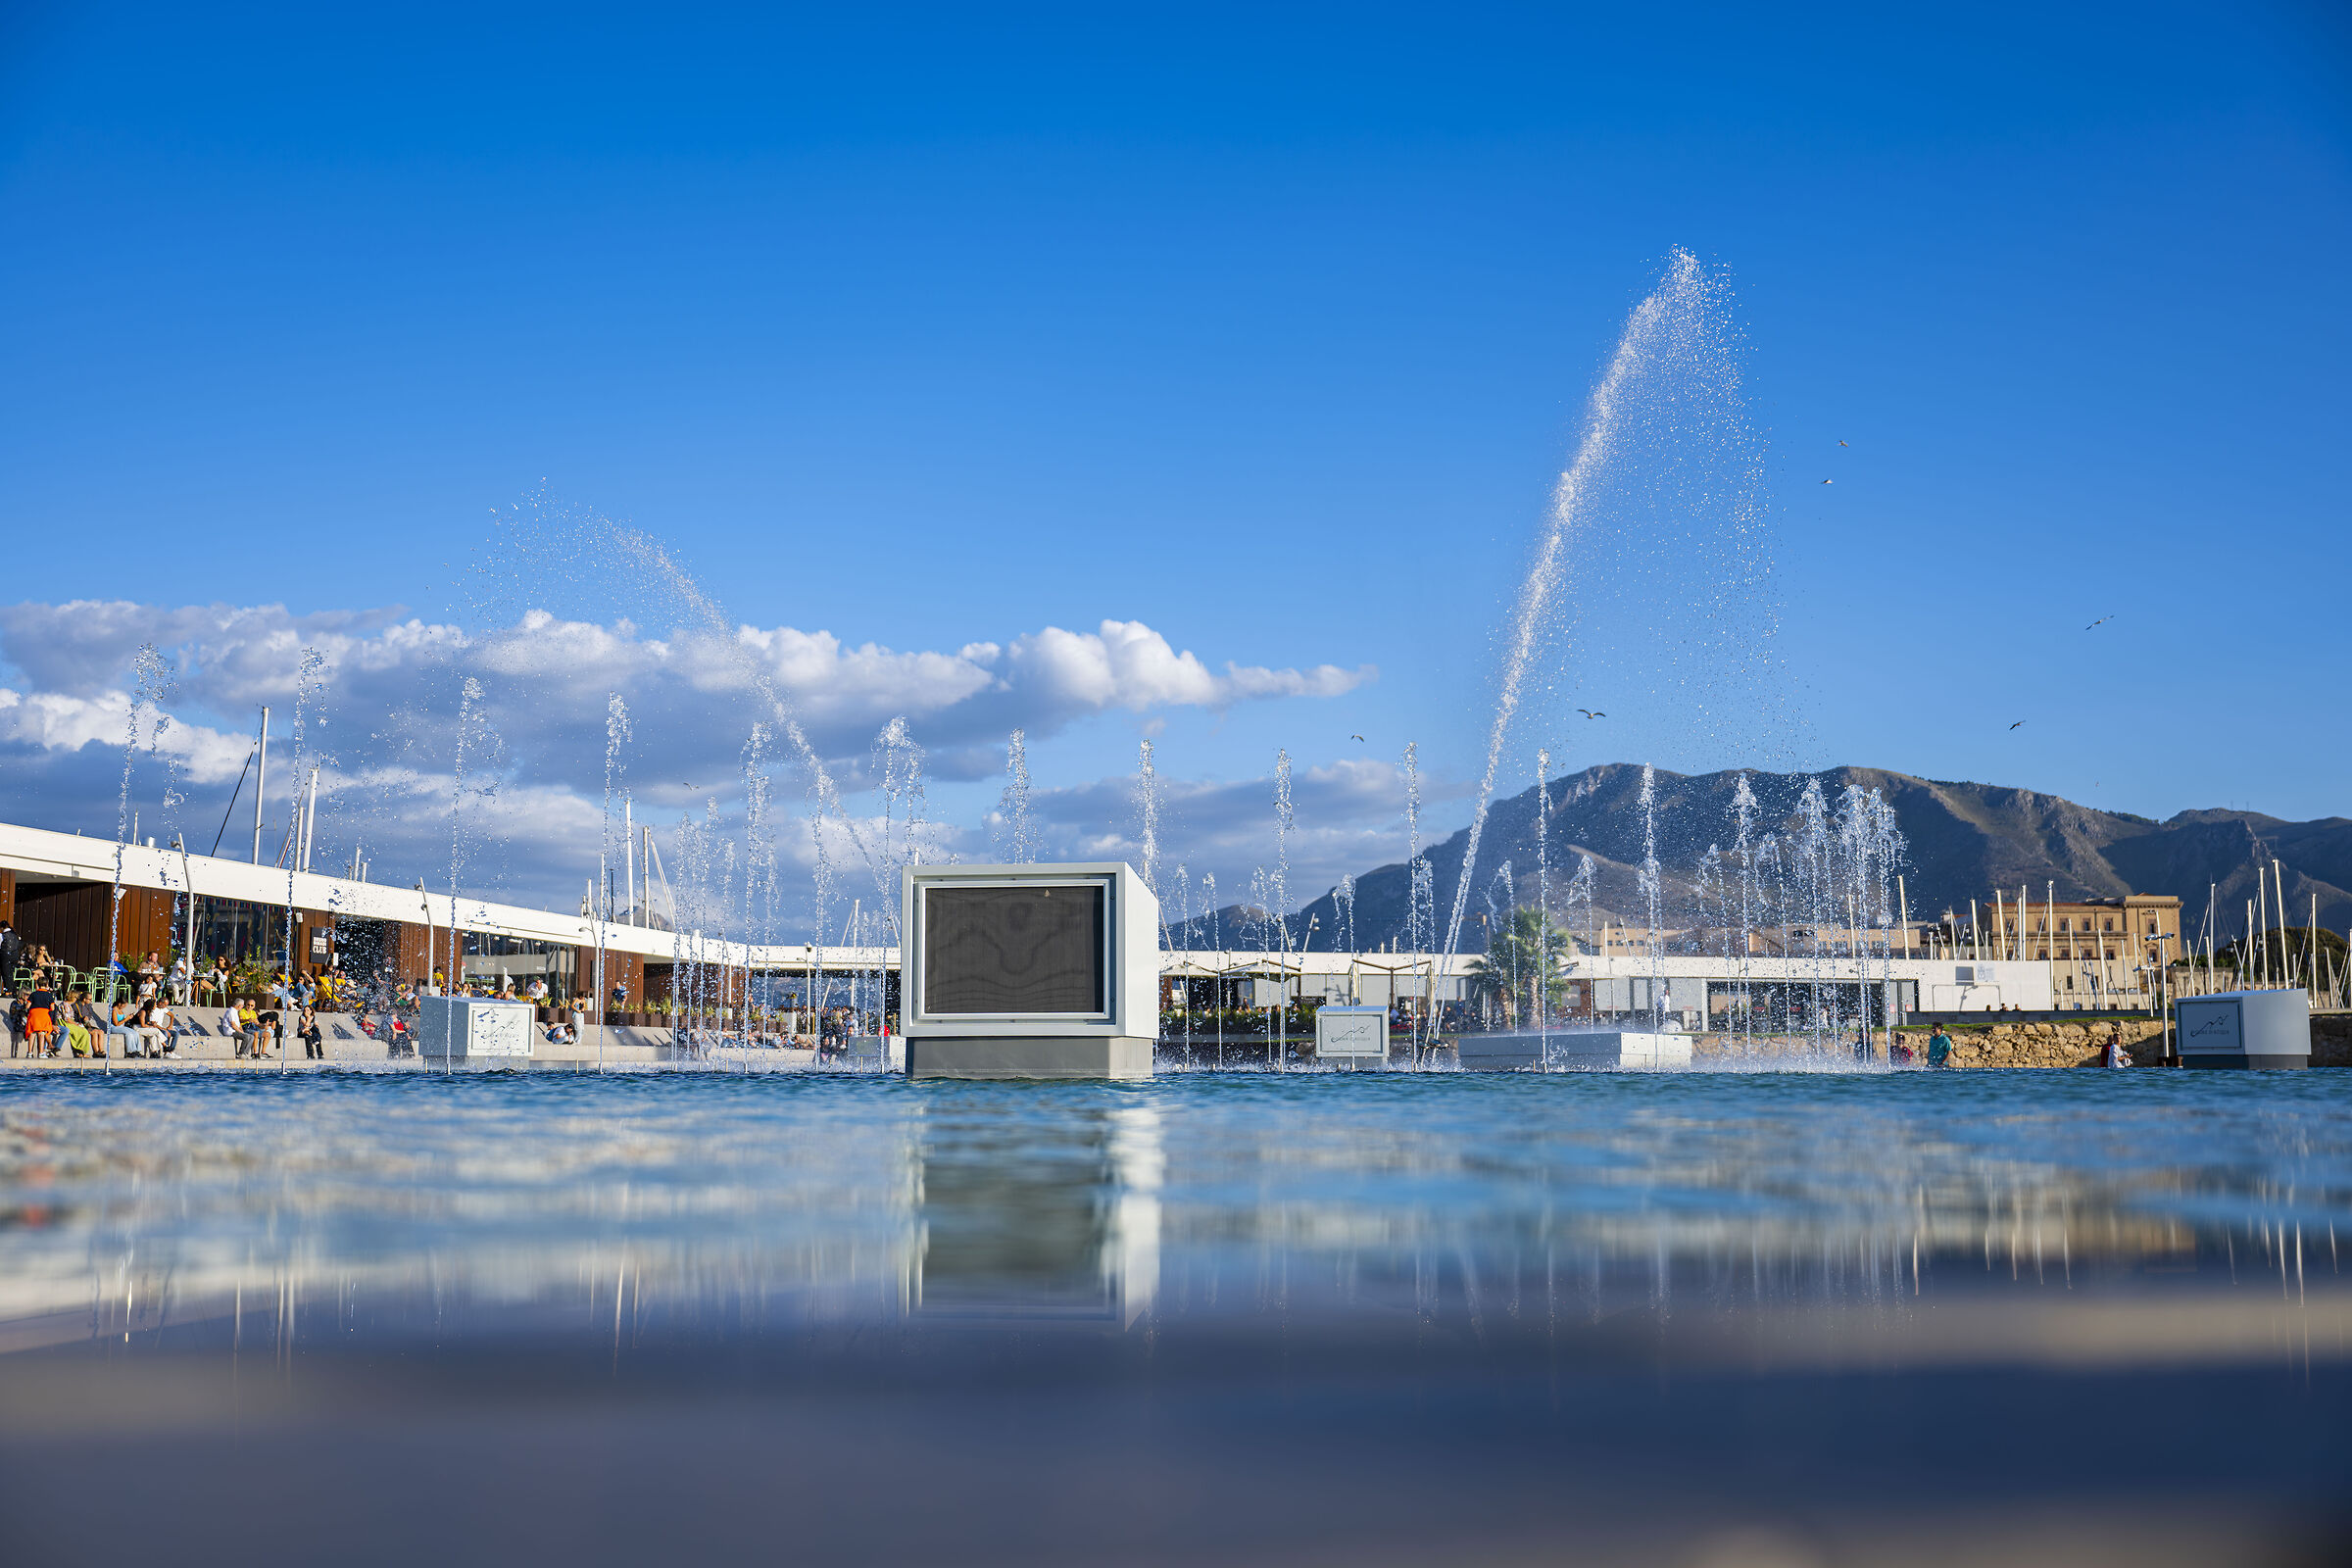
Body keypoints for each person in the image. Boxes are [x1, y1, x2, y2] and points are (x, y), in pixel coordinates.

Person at [26, 979, 60, 1057]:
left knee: (32, 1033)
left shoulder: (33, 994)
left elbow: (27, 1006)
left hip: (33, 1015)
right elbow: (52, 1008)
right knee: (41, 1033)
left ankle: (29, 1053)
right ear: (47, 984)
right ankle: (41, 1053)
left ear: (37, 984)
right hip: (44, 1015)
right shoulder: (49, 995)